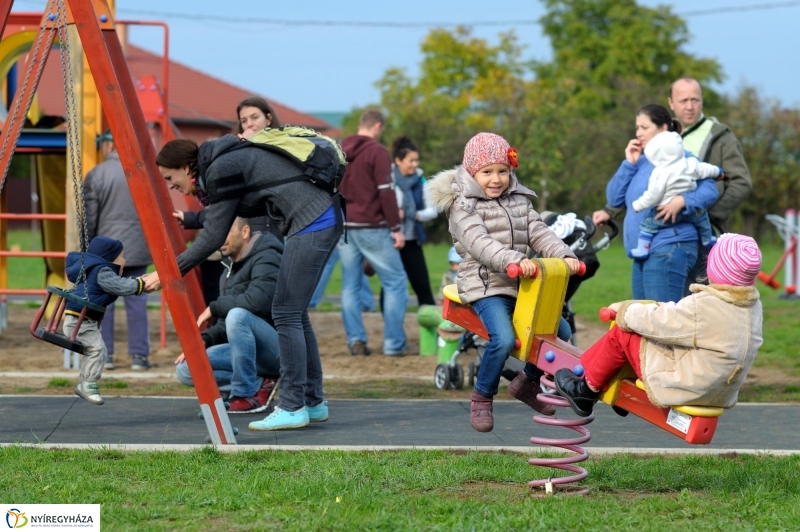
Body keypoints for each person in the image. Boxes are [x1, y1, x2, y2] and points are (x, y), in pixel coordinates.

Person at [147, 131, 340, 432]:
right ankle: (312, 403)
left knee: (286, 312)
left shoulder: (222, 168)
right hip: (319, 218)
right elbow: (218, 219)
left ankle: (292, 406)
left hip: (313, 221)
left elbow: (212, 237)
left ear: (186, 167)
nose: (170, 185)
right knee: (295, 314)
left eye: (169, 177)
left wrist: (167, 273)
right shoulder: (223, 163)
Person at [426, 132, 580, 433]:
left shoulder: (519, 199)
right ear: (472, 172)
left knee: (561, 331)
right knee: (504, 338)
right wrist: (512, 260)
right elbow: (478, 242)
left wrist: (564, 254)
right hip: (484, 284)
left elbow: (538, 231)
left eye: (502, 171)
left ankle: (527, 382)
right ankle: (482, 396)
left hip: (519, 283)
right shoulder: (464, 205)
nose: (496, 179)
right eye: (487, 172)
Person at [555, 233, 763, 418]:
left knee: (624, 334)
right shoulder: (750, 307)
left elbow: (659, 321)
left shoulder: (706, 306)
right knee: (651, 340)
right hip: (717, 392)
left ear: (716, 268)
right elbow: (678, 317)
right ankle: (627, 393)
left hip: (687, 387)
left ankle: (584, 390)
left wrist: (624, 311)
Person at [592, 104, 720, 304]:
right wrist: (629, 163)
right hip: (642, 251)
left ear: (663, 128)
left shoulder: (680, 157)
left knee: (663, 323)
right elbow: (614, 198)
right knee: (643, 324)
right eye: (637, 128)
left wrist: (683, 200)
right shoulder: (641, 162)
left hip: (669, 246)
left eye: (645, 127)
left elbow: (710, 190)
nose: (638, 133)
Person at [174, 217, 282, 414]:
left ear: (245, 231)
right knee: (187, 367)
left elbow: (256, 303)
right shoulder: (227, 271)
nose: (220, 238)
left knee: (238, 315)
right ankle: (260, 383)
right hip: (245, 349)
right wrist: (202, 341)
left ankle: (246, 394)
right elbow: (226, 325)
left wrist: (214, 307)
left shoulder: (267, 257)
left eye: (227, 231)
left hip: (276, 349)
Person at [668, 77, 754, 292]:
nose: (689, 106)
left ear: (702, 101)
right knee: (662, 304)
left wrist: (710, 214)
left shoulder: (721, 137)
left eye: (695, 100)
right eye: (683, 100)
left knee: (695, 302)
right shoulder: (662, 135)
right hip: (663, 234)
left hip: (701, 237)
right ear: (671, 103)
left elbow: (741, 182)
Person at [338, 109, 408, 356]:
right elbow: (386, 192)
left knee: (350, 286)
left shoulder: (339, 149)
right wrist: (396, 229)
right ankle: (393, 344)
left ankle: (355, 341)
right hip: (372, 226)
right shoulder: (377, 151)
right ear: (378, 126)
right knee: (396, 282)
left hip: (344, 227)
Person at [82, 129, 153, 371]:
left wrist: (89, 249)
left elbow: (90, 218)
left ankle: (106, 354)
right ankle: (139, 357)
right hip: (137, 246)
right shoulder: (142, 174)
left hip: (107, 252)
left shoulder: (97, 174)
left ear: (109, 146)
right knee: (137, 301)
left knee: (104, 302)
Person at [63, 236, 149, 405]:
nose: (125, 261)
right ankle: (87, 384)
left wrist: (137, 282)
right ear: (111, 259)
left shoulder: (98, 271)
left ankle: (87, 382)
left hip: (80, 321)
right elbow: (120, 286)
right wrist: (140, 284)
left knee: (97, 350)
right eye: (122, 257)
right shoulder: (103, 271)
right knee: (98, 350)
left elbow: (117, 284)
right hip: (80, 322)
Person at [629, 130, 723, 258]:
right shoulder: (690, 163)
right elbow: (706, 169)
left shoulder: (660, 172)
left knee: (647, 225)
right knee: (703, 218)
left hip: (665, 212)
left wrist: (638, 205)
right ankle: (707, 239)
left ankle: (642, 249)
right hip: (689, 212)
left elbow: (653, 195)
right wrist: (718, 171)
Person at [390, 135, 437, 307]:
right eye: (411, 160)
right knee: (391, 288)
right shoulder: (387, 180)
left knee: (423, 287)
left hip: (412, 240)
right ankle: (391, 328)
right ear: (398, 160)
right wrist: (395, 214)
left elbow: (433, 210)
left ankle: (431, 330)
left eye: (416, 160)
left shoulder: (421, 180)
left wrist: (415, 215)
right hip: (390, 242)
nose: (415, 164)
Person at [309, 245, 374, 311]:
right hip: (350, 238)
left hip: (338, 238)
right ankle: (366, 303)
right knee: (354, 268)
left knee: (327, 265)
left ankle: (310, 302)